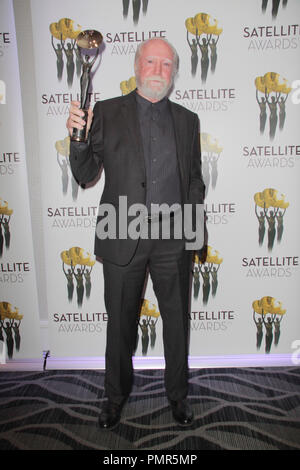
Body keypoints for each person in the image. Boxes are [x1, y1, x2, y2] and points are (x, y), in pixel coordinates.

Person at [66, 38, 206, 429]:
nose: (158, 70)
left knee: (177, 321)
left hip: (173, 239)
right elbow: (86, 174)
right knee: (120, 325)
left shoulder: (188, 120)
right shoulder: (107, 112)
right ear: (136, 65)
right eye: (151, 61)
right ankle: (114, 397)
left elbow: (194, 181)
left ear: (174, 73)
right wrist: (77, 139)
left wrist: (195, 233)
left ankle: (178, 396)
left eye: (166, 64)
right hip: (121, 234)